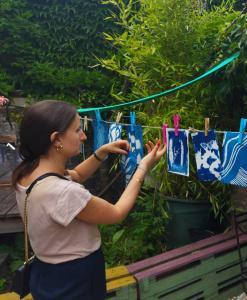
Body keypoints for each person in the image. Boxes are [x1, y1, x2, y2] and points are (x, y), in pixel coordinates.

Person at [12, 100, 166, 300]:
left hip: (46, 272)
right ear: (56, 139)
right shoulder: (64, 192)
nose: (83, 136)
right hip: (75, 279)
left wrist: (101, 153)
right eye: (77, 131)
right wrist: (143, 167)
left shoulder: (28, 173)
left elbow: (75, 173)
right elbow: (117, 212)